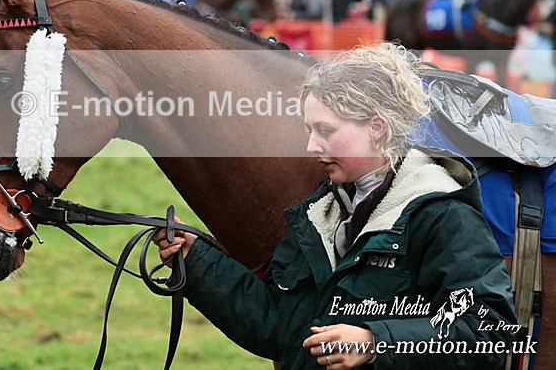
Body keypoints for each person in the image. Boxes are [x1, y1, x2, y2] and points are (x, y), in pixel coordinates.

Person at [153, 42, 515, 369]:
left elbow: (489, 336)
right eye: (309, 130)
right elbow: (279, 327)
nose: (311, 146)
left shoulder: (443, 216)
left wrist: (376, 343)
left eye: (325, 131)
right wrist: (195, 259)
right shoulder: (320, 214)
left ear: (376, 127)